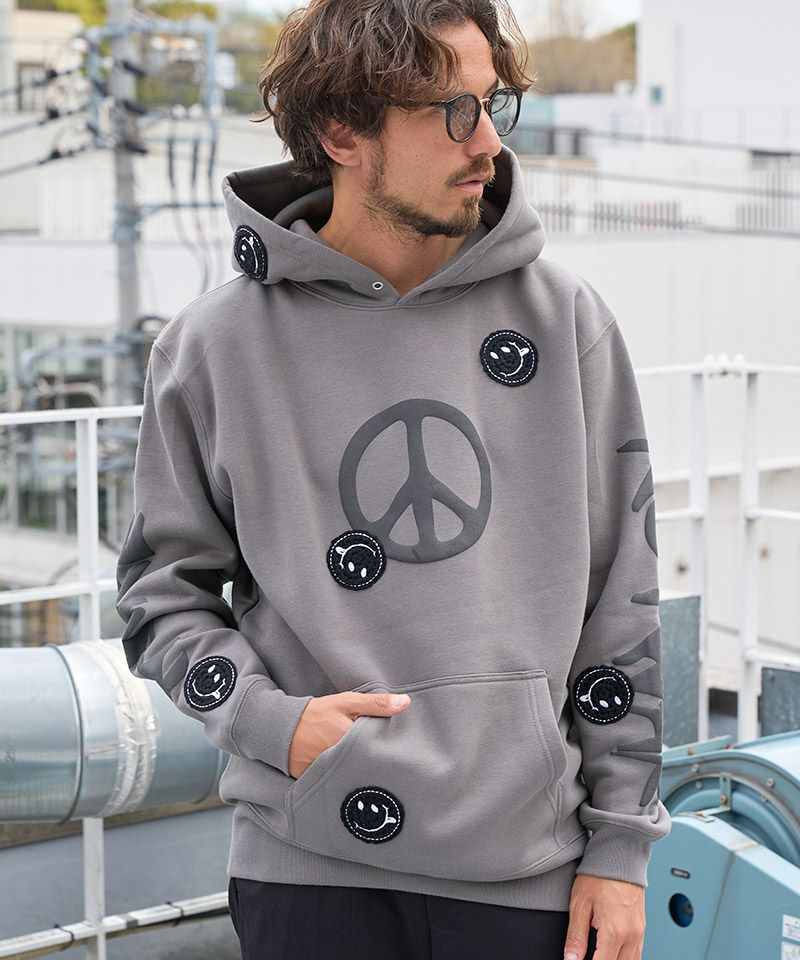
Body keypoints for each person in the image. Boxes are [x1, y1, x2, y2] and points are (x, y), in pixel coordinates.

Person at [114, 0, 672, 956]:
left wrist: (622, 849)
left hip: (530, 867)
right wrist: (268, 721)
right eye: (451, 112)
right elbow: (159, 597)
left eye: (492, 105)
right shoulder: (215, 347)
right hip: (308, 865)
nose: (487, 142)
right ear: (343, 133)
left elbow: (624, 600)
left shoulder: (565, 321)